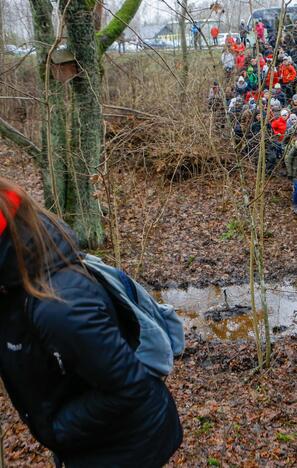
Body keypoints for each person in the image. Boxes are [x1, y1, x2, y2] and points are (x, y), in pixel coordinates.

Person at [0, 181, 183, 466]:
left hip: (128, 446)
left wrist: (56, 428)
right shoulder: (16, 285)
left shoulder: (61, 307)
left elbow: (128, 387)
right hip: (92, 442)